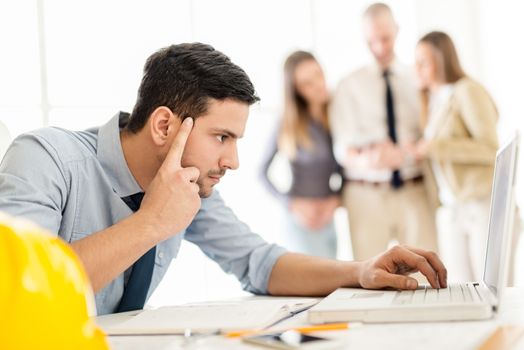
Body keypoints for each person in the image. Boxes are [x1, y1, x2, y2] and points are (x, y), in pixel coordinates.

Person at [0, 43, 447, 315]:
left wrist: (360, 270)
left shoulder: (189, 185)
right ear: (163, 126)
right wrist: (151, 223)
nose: (232, 160)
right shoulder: (45, 159)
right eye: (222, 137)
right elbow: (16, 289)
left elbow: (258, 263)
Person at [329, 3, 438, 261]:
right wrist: (369, 159)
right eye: (371, 41)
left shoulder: (418, 78)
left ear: (397, 30)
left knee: (426, 275)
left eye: (385, 38)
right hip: (366, 194)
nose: (379, 47)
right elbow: (341, 148)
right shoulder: (348, 85)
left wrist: (415, 149)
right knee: (369, 277)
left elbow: (433, 130)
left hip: (414, 189)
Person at [411, 31, 500, 282]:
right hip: (451, 207)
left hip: (479, 203)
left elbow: (490, 148)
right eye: (415, 62)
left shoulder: (466, 90)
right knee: (460, 286)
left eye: (423, 62)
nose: (416, 69)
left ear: (442, 60)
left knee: (488, 285)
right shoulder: (434, 100)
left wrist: (435, 147)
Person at [261, 51, 342, 258]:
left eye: (318, 74)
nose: (318, 84)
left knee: (332, 283)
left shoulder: (338, 114)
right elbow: (261, 173)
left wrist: (336, 199)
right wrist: (292, 204)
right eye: (307, 83)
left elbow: (348, 167)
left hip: (328, 219)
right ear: (296, 91)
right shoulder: (288, 123)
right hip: (300, 222)